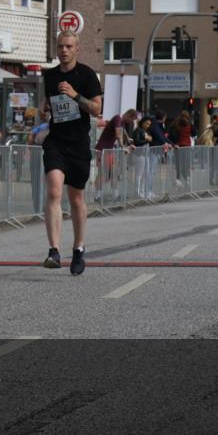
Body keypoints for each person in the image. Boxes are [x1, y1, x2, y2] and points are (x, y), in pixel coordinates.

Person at [40, 31, 103, 275]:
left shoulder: (87, 75)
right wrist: (44, 110)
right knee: (54, 189)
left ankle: (78, 248)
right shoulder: (50, 76)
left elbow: (97, 109)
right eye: (60, 46)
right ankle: (54, 251)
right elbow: (45, 104)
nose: (63, 50)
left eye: (68, 46)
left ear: (77, 48)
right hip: (56, 141)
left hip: (78, 144)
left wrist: (75, 95)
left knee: (76, 197)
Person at [94, 108, 136, 200]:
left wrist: (129, 142)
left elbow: (124, 134)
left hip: (109, 150)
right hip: (103, 149)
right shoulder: (118, 118)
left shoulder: (122, 122)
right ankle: (97, 195)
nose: (130, 122)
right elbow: (118, 135)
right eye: (131, 120)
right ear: (128, 115)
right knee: (103, 173)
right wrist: (123, 147)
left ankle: (115, 195)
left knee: (113, 172)